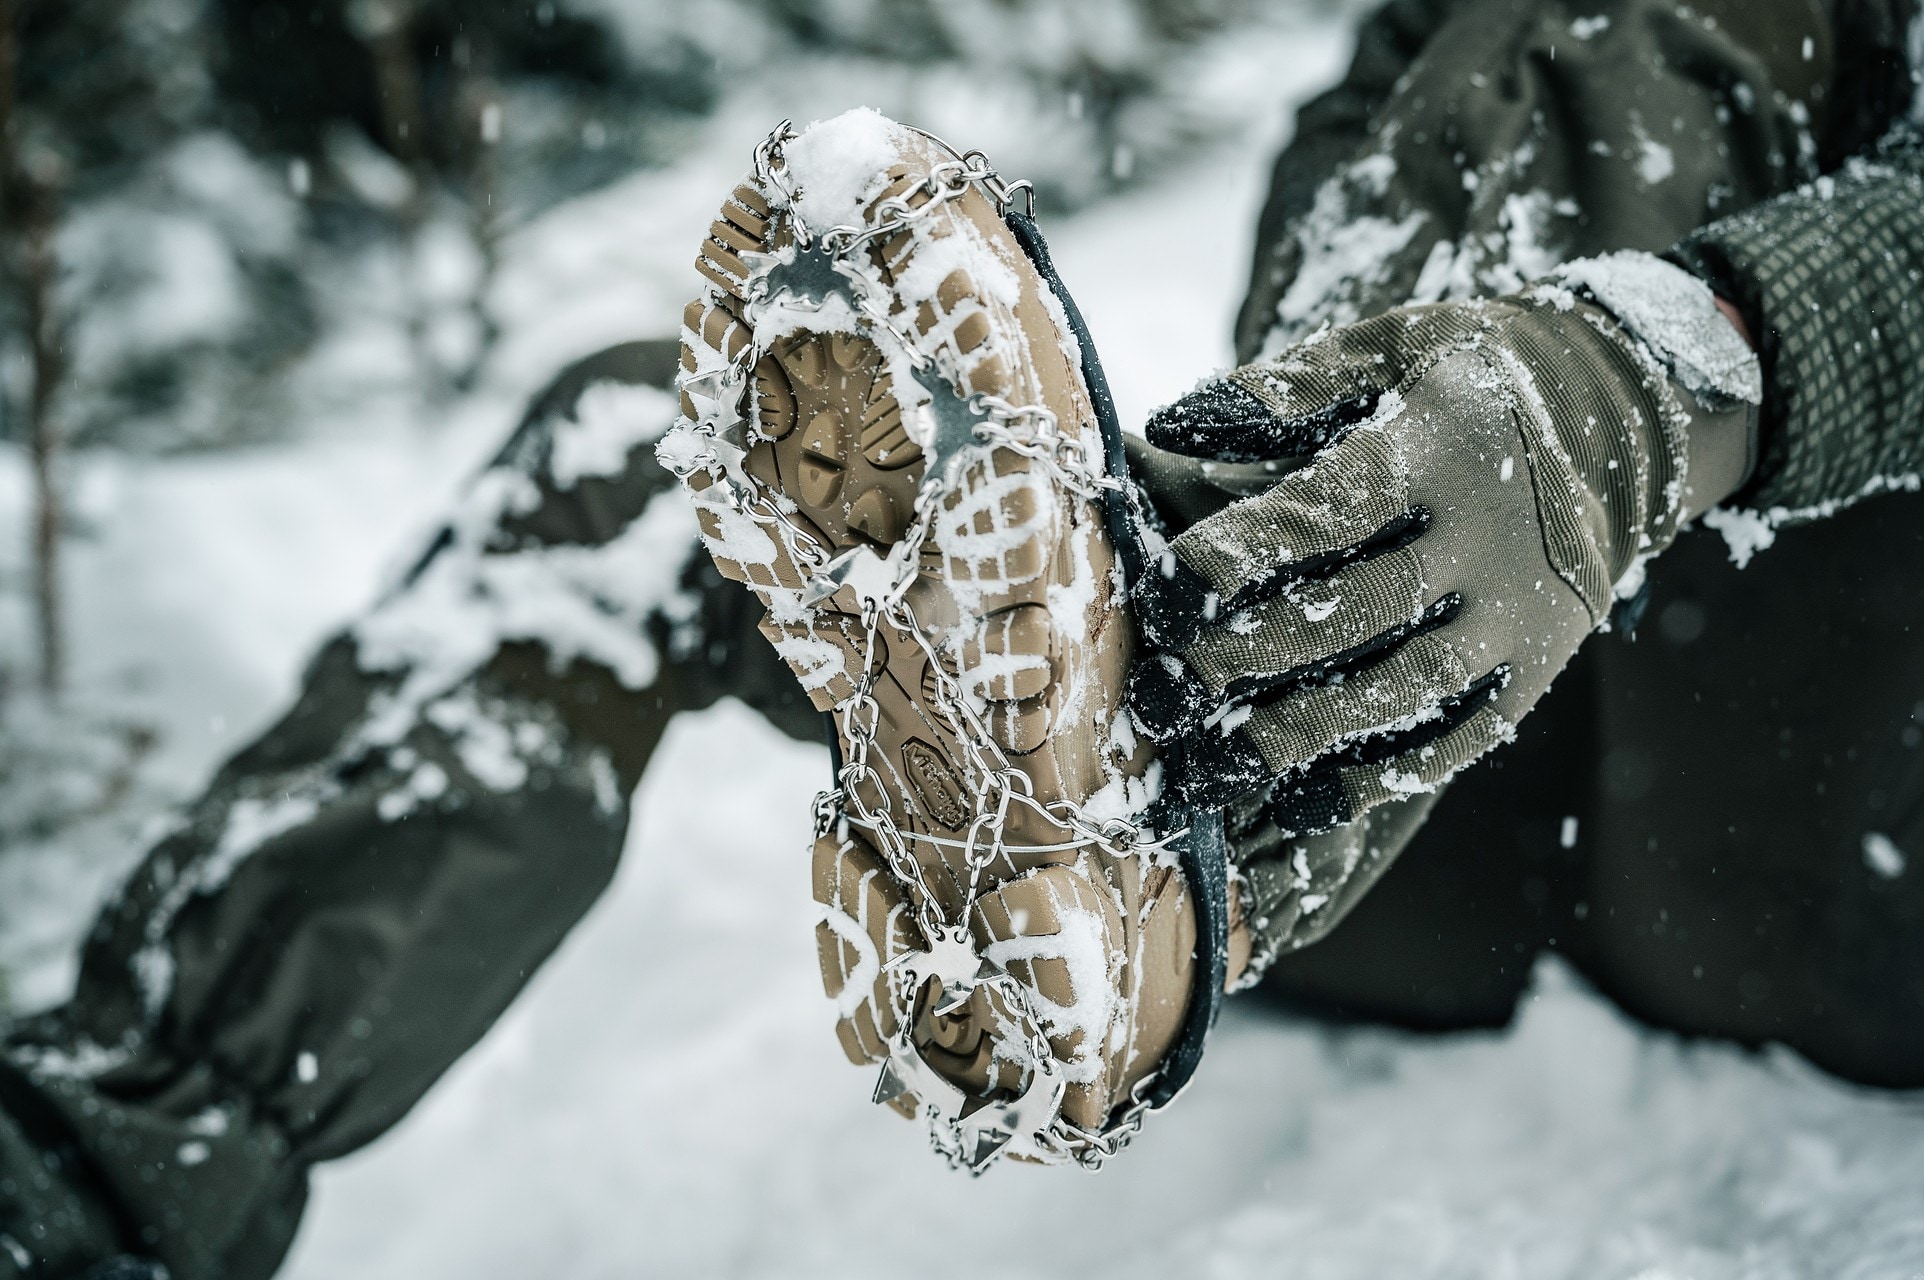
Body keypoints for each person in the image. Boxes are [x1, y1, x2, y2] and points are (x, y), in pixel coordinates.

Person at [3, 0, 1921, 1274]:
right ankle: (77, 1197)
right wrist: (1244, 498)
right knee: (635, 461)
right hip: (1456, 784)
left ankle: (1173, 801)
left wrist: (1681, 369)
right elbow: (1365, 191)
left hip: (1833, 823)